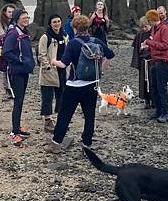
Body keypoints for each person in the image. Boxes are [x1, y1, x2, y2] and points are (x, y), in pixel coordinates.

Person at [45, 15, 115, 153]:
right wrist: (102, 69)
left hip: (74, 85)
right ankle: (87, 143)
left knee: (65, 115)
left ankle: (56, 142)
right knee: (89, 115)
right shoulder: (96, 41)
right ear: (88, 27)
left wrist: (53, 61)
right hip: (92, 84)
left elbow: (63, 64)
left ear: (75, 28)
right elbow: (110, 55)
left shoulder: (73, 43)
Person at [2, 9, 36, 146]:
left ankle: (18, 128)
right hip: (16, 72)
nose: (26, 19)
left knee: (20, 100)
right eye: (23, 17)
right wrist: (20, 61)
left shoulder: (23, 32)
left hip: (24, 71)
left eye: (27, 17)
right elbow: (6, 52)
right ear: (17, 19)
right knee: (18, 100)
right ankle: (14, 132)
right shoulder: (13, 33)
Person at [37, 14, 68, 133]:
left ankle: (60, 121)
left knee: (61, 96)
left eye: (59, 21)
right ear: (50, 23)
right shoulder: (45, 37)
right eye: (54, 22)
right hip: (49, 71)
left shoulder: (65, 35)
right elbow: (41, 54)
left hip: (62, 70)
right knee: (47, 97)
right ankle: (48, 121)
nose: (57, 24)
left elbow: (68, 50)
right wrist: (47, 66)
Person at [142, 9, 168, 123]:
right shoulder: (155, 29)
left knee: (161, 88)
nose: (148, 22)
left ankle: (165, 112)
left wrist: (149, 43)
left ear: (152, 19)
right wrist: (148, 47)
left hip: (163, 61)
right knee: (154, 87)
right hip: (155, 60)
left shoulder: (164, 29)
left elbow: (166, 45)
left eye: (149, 20)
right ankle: (159, 110)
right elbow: (157, 44)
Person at [130, 16, 152, 109]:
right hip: (143, 61)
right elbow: (136, 49)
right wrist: (137, 62)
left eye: (145, 26)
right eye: (142, 27)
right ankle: (146, 100)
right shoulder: (140, 34)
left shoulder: (154, 33)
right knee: (144, 81)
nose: (144, 29)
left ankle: (154, 100)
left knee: (152, 82)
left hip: (152, 60)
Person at [0, 3, 16, 100]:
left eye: (13, 12)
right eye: (9, 12)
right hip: (4, 49)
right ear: (4, 12)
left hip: (15, 49)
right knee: (5, 69)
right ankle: (7, 89)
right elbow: (0, 36)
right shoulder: (0, 23)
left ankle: (13, 88)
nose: (11, 14)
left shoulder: (16, 22)